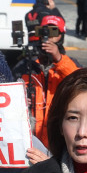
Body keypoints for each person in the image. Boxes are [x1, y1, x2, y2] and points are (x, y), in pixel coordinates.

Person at [18, 14, 79, 146]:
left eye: (54, 31)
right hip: (31, 139)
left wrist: (58, 58)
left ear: (61, 35)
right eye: (45, 31)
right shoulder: (26, 66)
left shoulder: (71, 64)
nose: (49, 36)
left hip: (59, 138)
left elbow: (80, 82)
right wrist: (19, 99)